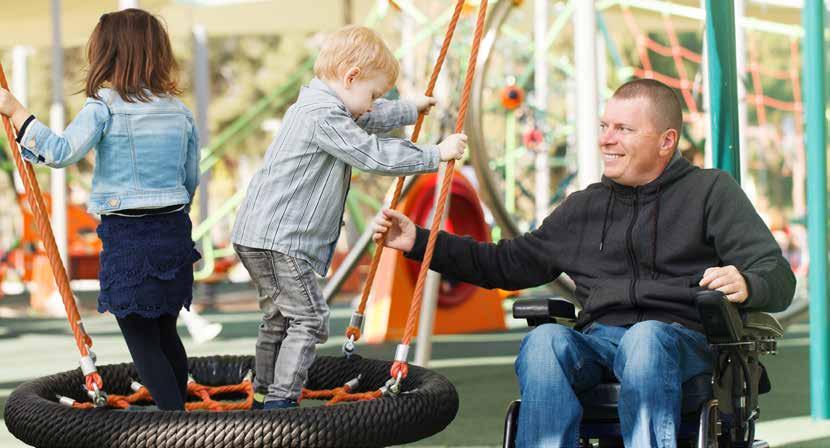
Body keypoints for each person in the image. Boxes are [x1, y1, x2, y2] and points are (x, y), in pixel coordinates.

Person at [372, 78, 796, 447]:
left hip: (679, 340)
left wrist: (748, 281)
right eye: (604, 126)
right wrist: (417, 241)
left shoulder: (710, 192)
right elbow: (505, 264)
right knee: (545, 342)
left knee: (645, 340)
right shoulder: (584, 207)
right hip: (600, 341)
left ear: (666, 141)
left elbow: (776, 275)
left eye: (623, 129)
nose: (606, 139)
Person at [231, 25, 468, 410]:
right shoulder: (324, 117)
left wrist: (409, 108)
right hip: (280, 241)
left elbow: (366, 116)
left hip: (257, 235)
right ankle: (279, 404)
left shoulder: (318, 104)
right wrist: (434, 155)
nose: (373, 103)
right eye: (373, 93)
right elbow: (371, 153)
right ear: (351, 76)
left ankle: (263, 394)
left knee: (278, 317)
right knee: (309, 319)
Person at [0, 9, 200, 411]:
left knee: (142, 339)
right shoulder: (179, 111)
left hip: (129, 237)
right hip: (174, 231)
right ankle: (181, 414)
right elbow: (190, 176)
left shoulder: (104, 106)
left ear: (107, 55)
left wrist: (16, 110)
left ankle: (173, 420)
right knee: (165, 332)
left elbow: (60, 152)